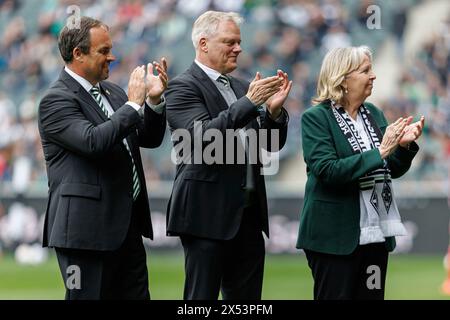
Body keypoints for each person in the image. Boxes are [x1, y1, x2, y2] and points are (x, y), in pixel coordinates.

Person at [38, 16, 168, 300]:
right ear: (78, 54)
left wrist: (154, 103)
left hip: (126, 227)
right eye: (104, 50)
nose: (113, 56)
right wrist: (134, 104)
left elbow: (148, 138)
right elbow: (93, 142)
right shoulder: (56, 100)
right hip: (83, 235)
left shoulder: (114, 92)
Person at [165, 11, 292, 300]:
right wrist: (250, 102)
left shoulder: (240, 86)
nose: (238, 48)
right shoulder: (183, 86)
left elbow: (269, 145)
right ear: (203, 43)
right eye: (229, 42)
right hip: (205, 215)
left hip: (246, 215)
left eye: (239, 42)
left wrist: (273, 113)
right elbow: (204, 140)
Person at [296, 46, 425, 300]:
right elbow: (327, 171)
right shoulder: (316, 118)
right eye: (365, 70)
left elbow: (393, 168)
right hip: (335, 237)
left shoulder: (374, 114)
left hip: (375, 235)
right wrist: (380, 151)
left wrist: (404, 146)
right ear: (343, 78)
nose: (373, 76)